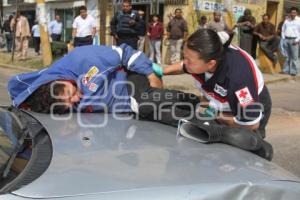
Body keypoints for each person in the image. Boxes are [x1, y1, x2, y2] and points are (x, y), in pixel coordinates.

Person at [152, 29, 273, 160]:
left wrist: (220, 117)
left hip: (246, 111)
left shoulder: (239, 80)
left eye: (188, 60)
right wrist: (162, 71)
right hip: (222, 103)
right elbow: (184, 65)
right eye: (184, 57)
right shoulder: (205, 55)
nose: (184, 62)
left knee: (239, 152)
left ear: (211, 64)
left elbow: (251, 123)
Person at [281, 7, 300, 76]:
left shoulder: (299, 20)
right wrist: (283, 38)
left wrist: (297, 40)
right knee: (287, 56)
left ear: (297, 13)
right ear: (290, 13)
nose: (293, 14)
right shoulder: (287, 20)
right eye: (291, 12)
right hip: (286, 39)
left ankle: (294, 71)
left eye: (294, 12)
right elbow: (283, 29)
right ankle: (286, 70)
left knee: (294, 57)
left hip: (294, 40)